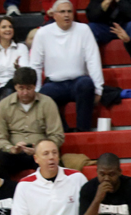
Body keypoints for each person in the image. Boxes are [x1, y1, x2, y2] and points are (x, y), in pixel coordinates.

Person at [30, 1, 104, 133]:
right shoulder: (43, 33)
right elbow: (35, 64)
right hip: (54, 84)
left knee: (86, 84)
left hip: (78, 81)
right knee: (44, 94)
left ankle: (83, 130)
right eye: (62, 12)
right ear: (54, 15)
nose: (66, 15)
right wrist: (35, 89)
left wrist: (99, 88)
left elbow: (93, 59)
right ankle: (62, 131)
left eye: (69, 11)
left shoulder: (84, 30)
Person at [0, 67, 65, 180]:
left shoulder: (47, 103)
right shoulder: (4, 105)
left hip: (40, 152)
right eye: (21, 88)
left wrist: (40, 149)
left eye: (29, 88)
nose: (25, 92)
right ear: (15, 86)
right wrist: (11, 148)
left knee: (51, 160)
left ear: (35, 86)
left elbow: (57, 135)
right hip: (13, 154)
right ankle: (8, 193)